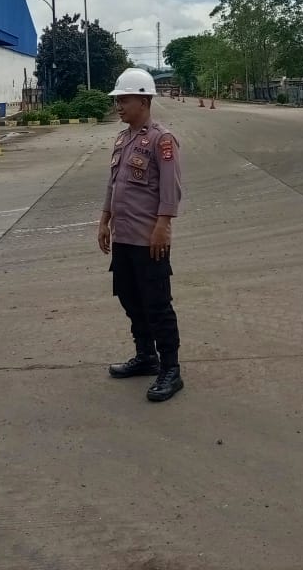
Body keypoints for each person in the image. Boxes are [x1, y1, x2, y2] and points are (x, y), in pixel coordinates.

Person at [97, 67, 184, 402]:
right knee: (129, 298)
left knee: (157, 304)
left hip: (149, 239)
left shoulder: (162, 140)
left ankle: (171, 369)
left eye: (124, 99)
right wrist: (104, 220)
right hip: (123, 235)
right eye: (117, 100)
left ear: (144, 101)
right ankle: (146, 355)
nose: (118, 106)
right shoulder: (122, 139)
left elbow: (171, 189)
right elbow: (113, 184)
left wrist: (163, 226)